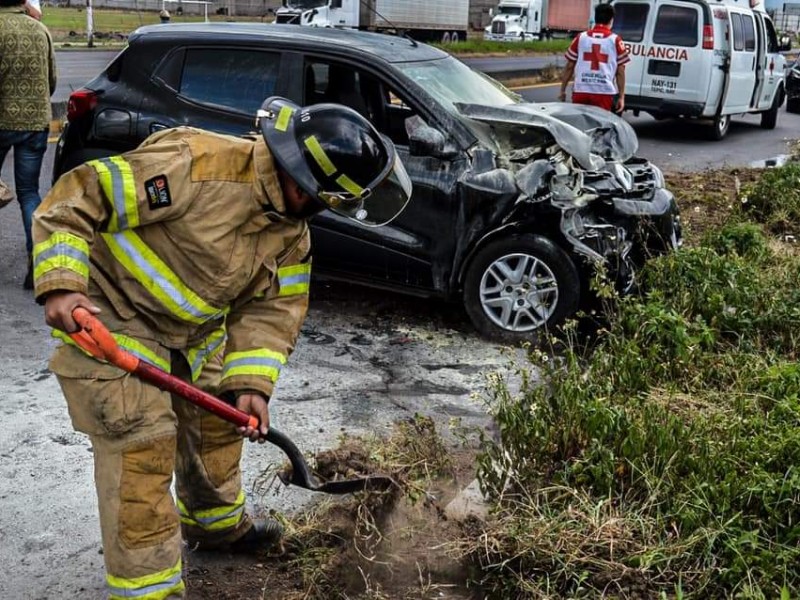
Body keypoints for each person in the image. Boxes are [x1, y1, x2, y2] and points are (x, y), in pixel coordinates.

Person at [32, 96, 412, 599]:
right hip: (110, 320)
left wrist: (251, 385)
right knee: (142, 452)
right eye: (331, 200)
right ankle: (149, 590)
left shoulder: (291, 233)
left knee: (220, 424)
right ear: (306, 186)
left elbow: (272, 311)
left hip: (190, 337)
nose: (327, 212)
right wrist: (62, 284)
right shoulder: (195, 166)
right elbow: (77, 197)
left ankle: (216, 526)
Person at [0, 0, 56, 289]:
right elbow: (52, 80)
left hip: (1, 120)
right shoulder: (40, 30)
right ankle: (38, 263)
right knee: (29, 192)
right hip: (35, 123)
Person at [558, 3, 629, 114]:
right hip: (604, 92)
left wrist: (562, 90)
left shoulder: (581, 37)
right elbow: (620, 72)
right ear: (611, 20)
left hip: (581, 90)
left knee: (579, 125)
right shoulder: (616, 40)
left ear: (595, 18)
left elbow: (570, 66)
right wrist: (621, 97)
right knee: (600, 127)